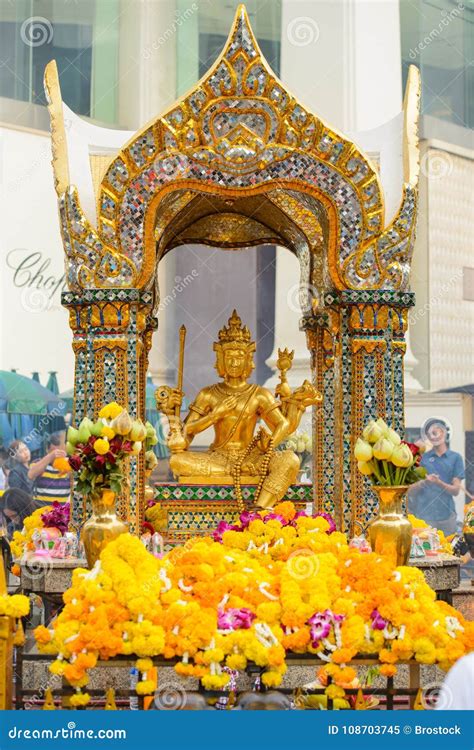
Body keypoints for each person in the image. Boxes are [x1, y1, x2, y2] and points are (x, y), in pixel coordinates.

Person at [408, 419, 465, 535]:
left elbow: (456, 490)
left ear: (445, 433)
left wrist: (439, 483)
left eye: (438, 432)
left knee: (449, 550)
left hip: (447, 517)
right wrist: (425, 482)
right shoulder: (422, 458)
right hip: (423, 517)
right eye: (431, 434)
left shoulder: (455, 458)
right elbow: (410, 491)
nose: (435, 436)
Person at [28, 433, 70, 506]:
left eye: (61, 451)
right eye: (55, 452)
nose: (58, 455)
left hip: (62, 511)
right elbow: (31, 475)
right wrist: (51, 456)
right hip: (40, 509)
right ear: (47, 449)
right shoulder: (39, 462)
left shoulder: (69, 464)